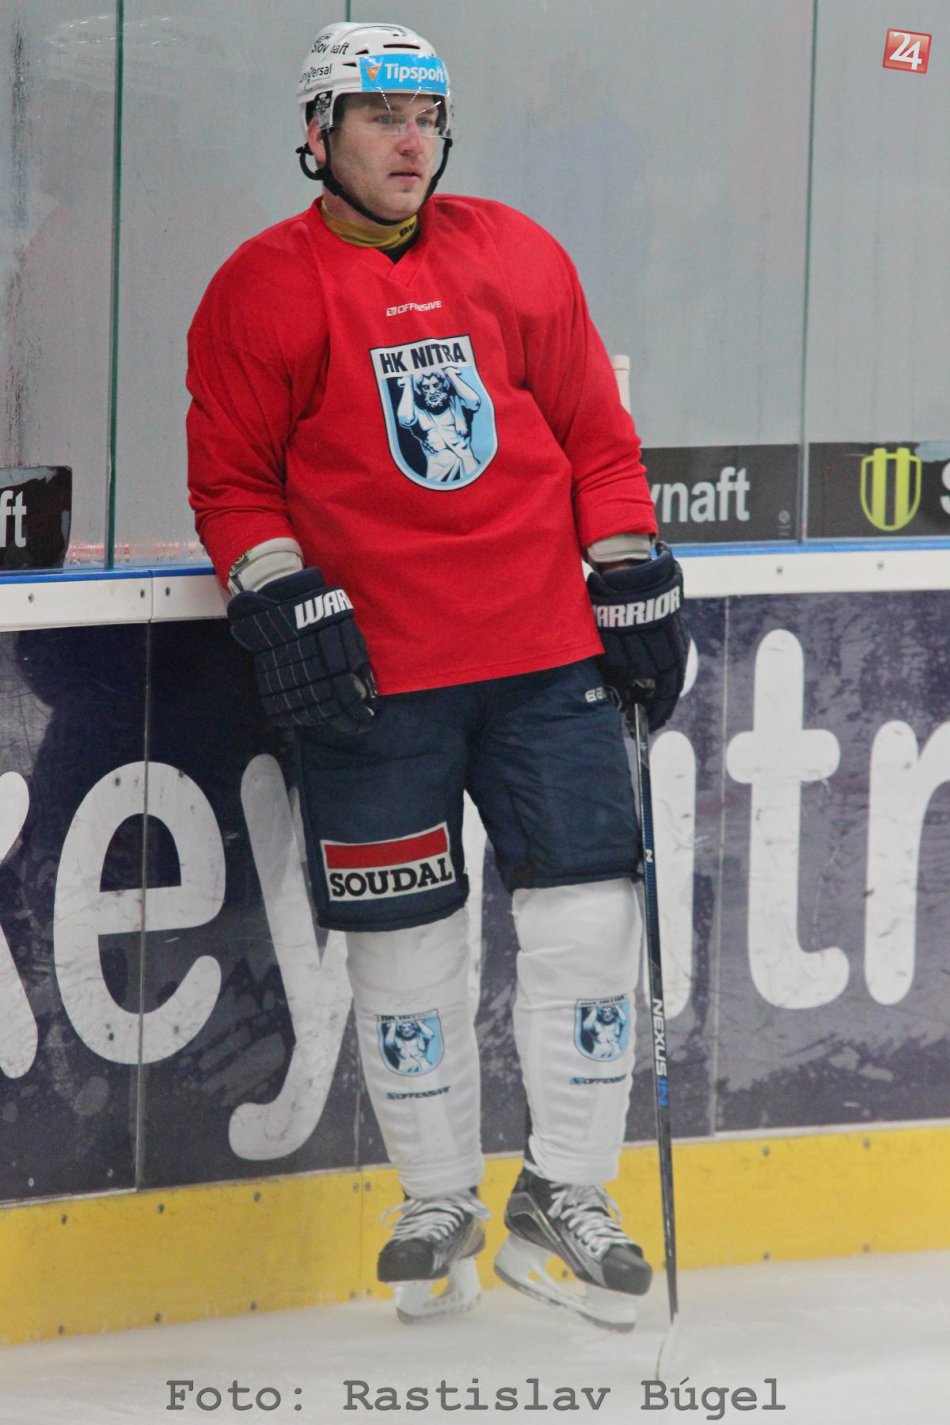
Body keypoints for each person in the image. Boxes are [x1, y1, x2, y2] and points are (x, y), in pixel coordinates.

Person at [186, 19, 689, 1331]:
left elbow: (597, 444)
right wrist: (277, 584)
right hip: (377, 682)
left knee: (590, 924)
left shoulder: (517, 252)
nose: (411, 142)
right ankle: (437, 1201)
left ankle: (564, 1193)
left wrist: (627, 563)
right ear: (317, 136)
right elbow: (231, 486)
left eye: (427, 118)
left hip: (547, 663)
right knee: (405, 952)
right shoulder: (259, 288)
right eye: (381, 117)